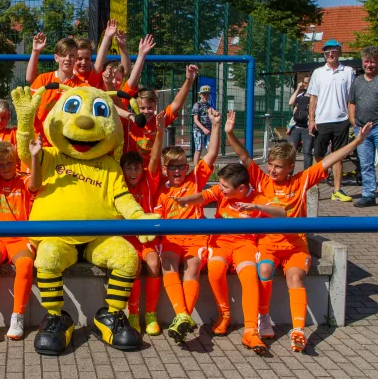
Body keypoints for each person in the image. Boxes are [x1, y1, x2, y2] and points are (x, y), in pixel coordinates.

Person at [225, 110, 372, 352]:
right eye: (270, 165)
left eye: (278, 167)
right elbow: (244, 156)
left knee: (296, 276)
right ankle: (263, 318)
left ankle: (298, 330)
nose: (272, 171)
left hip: (295, 245)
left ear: (291, 167)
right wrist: (230, 133)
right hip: (269, 245)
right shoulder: (262, 180)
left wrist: (357, 141)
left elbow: (329, 159)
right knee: (263, 269)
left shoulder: (301, 181)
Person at [174, 162, 286, 355]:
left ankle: (250, 330)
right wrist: (186, 200)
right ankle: (224, 315)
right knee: (215, 271)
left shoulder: (257, 197)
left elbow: (282, 213)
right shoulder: (221, 191)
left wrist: (256, 206)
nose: (220, 188)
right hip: (220, 242)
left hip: (245, 245)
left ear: (241, 188)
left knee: (250, 276)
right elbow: (202, 196)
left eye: (225, 186)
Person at [152, 108, 221, 343]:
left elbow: (211, 153)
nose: (178, 171)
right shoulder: (160, 189)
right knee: (168, 263)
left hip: (196, 237)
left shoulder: (195, 180)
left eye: (181, 166)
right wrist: (159, 132)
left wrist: (216, 125)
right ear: (165, 170)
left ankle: (182, 315)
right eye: (173, 167)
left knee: (192, 268)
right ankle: (183, 316)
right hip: (171, 239)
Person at [0, 106, 41, 341]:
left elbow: (34, 183)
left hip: (20, 238)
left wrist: (34, 157)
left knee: (25, 264)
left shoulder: (22, 180)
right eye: (0, 165)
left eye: (9, 163)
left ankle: (18, 315)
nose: (5, 168)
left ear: (15, 162)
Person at [122, 111, 165, 336]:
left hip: (147, 238)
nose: (133, 172)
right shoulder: (119, 186)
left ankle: (151, 314)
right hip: (126, 239)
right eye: (128, 168)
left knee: (154, 263)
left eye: (136, 167)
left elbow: (155, 159)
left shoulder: (149, 182)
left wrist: (159, 133)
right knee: (134, 267)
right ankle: (132, 313)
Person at [307, 39, 356, 202]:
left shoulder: (348, 71)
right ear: (324, 54)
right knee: (318, 155)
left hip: (341, 120)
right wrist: (311, 120)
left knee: (338, 156)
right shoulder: (318, 73)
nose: (330, 54)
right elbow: (313, 98)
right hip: (322, 121)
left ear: (339, 53)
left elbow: (351, 98)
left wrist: (351, 119)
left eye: (334, 51)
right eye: (327, 51)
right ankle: (314, 189)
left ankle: (337, 191)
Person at [125, 65, 198, 162]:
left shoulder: (158, 120)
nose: (146, 111)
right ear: (135, 107)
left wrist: (189, 81)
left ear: (155, 107)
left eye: (150, 108)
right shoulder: (129, 120)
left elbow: (176, 104)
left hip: (153, 170)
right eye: (142, 108)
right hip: (133, 169)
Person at [28, 37, 85, 146]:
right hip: (41, 141)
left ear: (76, 58)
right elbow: (29, 107)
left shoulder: (82, 86)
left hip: (68, 143)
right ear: (56, 58)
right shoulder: (42, 80)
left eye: (72, 56)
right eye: (64, 55)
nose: (68, 59)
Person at [348, 46, 378, 207]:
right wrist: (353, 120)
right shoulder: (357, 81)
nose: (369, 65)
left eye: (372, 62)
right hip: (361, 129)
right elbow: (351, 102)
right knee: (366, 164)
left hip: (377, 127)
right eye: (366, 61)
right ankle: (368, 195)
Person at [288, 75, 313, 170]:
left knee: (307, 151)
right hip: (296, 127)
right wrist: (298, 88)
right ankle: (289, 174)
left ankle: (307, 175)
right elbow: (291, 102)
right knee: (291, 151)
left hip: (307, 128)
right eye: (304, 83)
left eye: (307, 83)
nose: (305, 85)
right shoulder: (300, 95)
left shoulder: (314, 96)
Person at [191, 85, 213, 167]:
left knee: (210, 149)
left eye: (207, 94)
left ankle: (208, 167)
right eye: (204, 94)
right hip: (198, 130)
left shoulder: (208, 105)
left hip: (208, 130)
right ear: (200, 94)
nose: (206, 96)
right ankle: (195, 169)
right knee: (198, 150)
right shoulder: (197, 105)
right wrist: (203, 129)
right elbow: (195, 120)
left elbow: (211, 115)